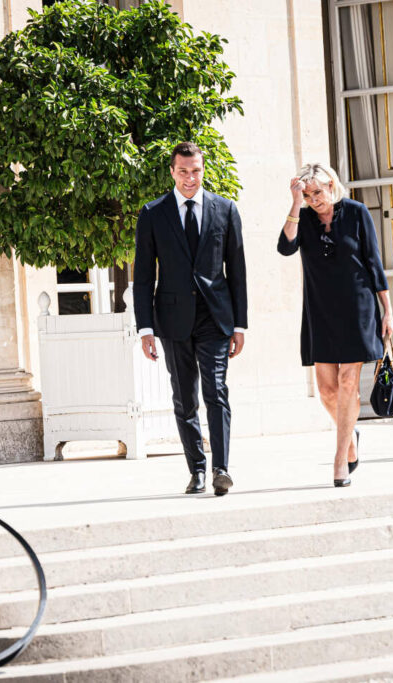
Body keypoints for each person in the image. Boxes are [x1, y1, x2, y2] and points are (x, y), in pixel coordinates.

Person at [133, 142, 248, 496]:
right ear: (172, 171)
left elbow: (238, 270)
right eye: (182, 171)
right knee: (184, 398)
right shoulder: (153, 214)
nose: (189, 178)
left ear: (203, 169)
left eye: (195, 170)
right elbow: (143, 276)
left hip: (215, 319)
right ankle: (197, 470)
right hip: (172, 320)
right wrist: (145, 327)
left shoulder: (225, 210)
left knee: (217, 392)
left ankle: (221, 469)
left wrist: (240, 324)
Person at [277, 163, 393, 487]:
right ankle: (351, 437)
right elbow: (285, 246)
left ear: (332, 184)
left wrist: (388, 311)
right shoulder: (303, 220)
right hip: (320, 311)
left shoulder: (356, 213)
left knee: (347, 382)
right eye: (308, 194)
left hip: (357, 308)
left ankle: (340, 459)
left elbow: (373, 262)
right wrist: (294, 203)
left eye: (318, 191)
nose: (315, 199)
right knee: (327, 390)